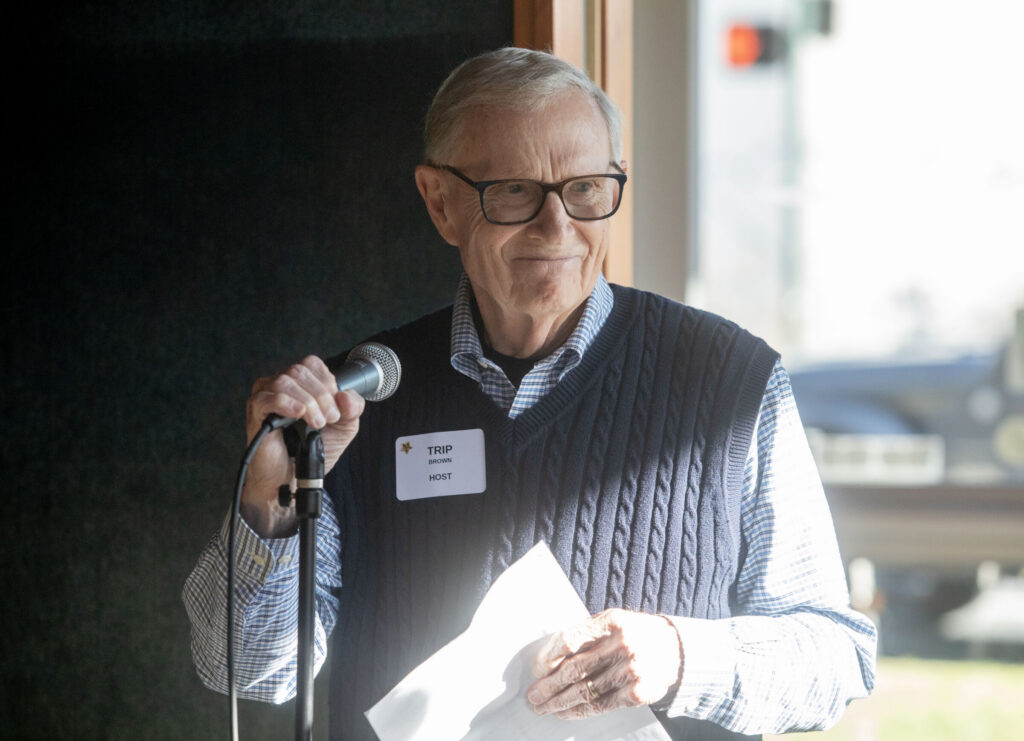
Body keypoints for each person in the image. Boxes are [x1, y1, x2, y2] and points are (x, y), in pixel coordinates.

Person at [183, 47, 876, 740]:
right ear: (440, 202)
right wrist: (268, 505)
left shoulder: (732, 382)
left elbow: (835, 657)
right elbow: (248, 673)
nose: (557, 226)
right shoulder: (350, 403)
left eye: (586, 188)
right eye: (515, 190)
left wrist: (680, 655)